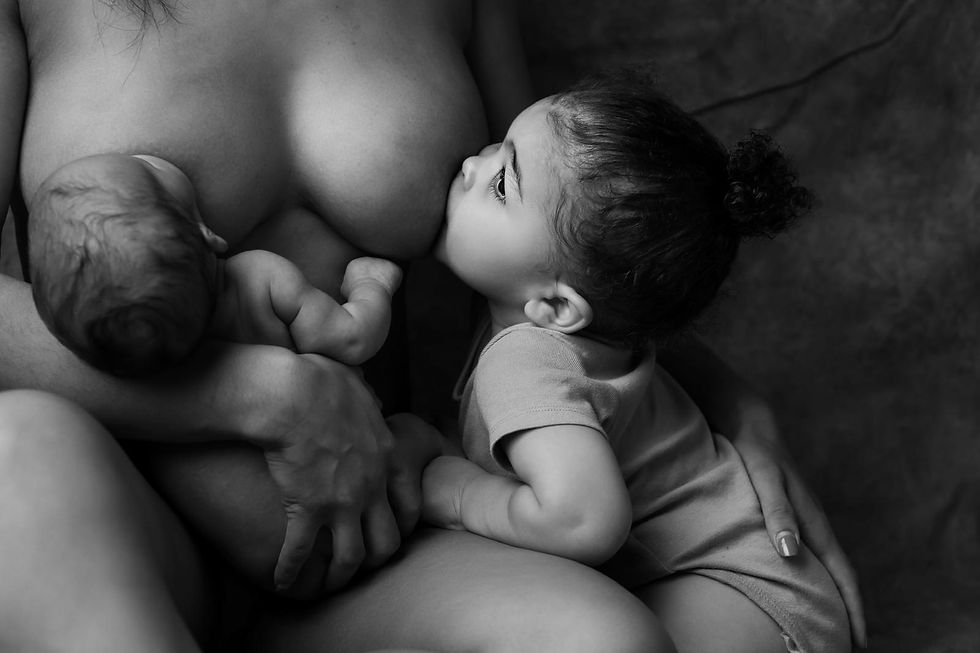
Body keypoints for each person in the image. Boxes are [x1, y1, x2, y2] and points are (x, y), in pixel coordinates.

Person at [0, 1, 864, 651]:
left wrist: (737, 406)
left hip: (381, 537)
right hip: (124, 510)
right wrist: (260, 397)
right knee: (17, 454)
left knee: (600, 640)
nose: (481, 168)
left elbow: (577, 249)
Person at [421, 72, 848, 653]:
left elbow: (582, 520)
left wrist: (461, 496)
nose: (473, 162)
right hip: (773, 586)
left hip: (742, 600)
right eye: (499, 144)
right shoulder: (602, 335)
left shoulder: (523, 359)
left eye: (501, 186)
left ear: (558, 306)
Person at [29, 153, 402, 376]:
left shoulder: (159, 366)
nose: (138, 156)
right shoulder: (261, 280)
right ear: (206, 234)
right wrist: (370, 284)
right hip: (336, 450)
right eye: (148, 170)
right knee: (417, 440)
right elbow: (351, 339)